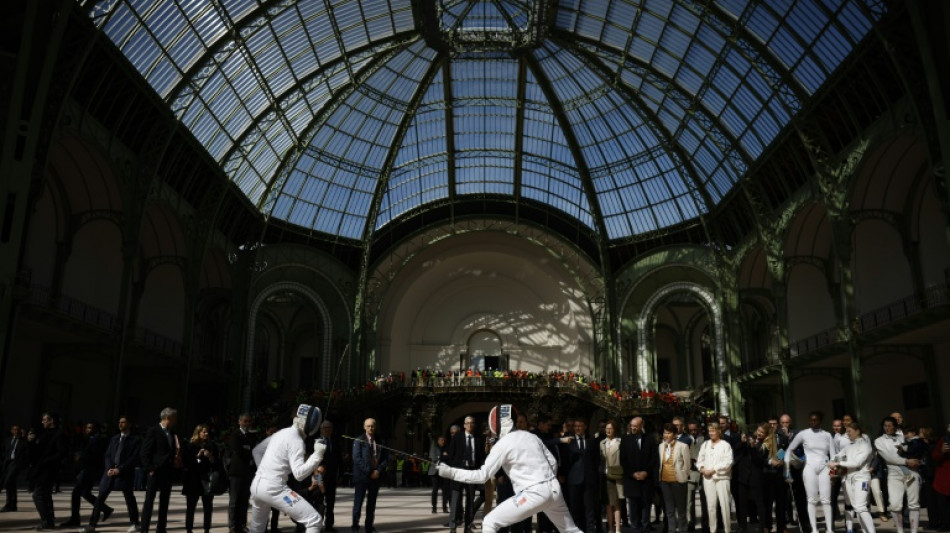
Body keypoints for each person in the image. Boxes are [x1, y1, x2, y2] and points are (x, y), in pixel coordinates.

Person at [437, 404, 582, 533]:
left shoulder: (502, 444)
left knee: (489, 522)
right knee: (570, 529)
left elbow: (482, 475)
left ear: (498, 423)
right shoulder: (531, 436)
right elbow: (553, 462)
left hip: (533, 493)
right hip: (554, 489)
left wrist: (450, 472)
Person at [249, 404, 326, 533]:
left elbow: (257, 451)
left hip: (257, 486)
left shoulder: (281, 433)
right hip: (274, 488)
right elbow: (299, 474)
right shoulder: (296, 440)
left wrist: (263, 472)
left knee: (256, 529)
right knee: (314, 520)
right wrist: (317, 455)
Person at [81, 415, 141, 533]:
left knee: (129, 498)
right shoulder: (114, 438)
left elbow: (134, 458)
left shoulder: (135, 440)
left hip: (124, 474)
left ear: (129, 424)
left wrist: (120, 469)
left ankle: (135, 523)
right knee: (100, 498)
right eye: (119, 422)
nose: (120, 424)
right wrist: (109, 468)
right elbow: (107, 455)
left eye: (123, 422)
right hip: (109, 473)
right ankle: (92, 525)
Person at [784, 411, 834, 533]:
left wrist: (833, 472)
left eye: (815, 420)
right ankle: (814, 529)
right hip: (809, 467)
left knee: (826, 500)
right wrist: (787, 470)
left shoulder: (827, 435)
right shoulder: (803, 434)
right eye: (810, 420)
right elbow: (789, 450)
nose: (812, 422)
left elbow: (833, 455)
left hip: (824, 468)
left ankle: (829, 529)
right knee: (811, 500)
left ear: (820, 421)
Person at [875, 415, 921, 533]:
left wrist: (917, 460)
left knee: (913, 503)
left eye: (890, 426)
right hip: (894, 473)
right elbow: (888, 457)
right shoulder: (879, 441)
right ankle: (900, 531)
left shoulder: (903, 437)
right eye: (885, 426)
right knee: (895, 505)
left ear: (895, 427)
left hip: (911, 470)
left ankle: (914, 531)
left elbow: (916, 448)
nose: (887, 428)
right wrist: (906, 461)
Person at [63, 422, 114, 528]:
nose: (87, 429)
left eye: (90, 428)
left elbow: (96, 458)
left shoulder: (96, 440)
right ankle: (105, 509)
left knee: (76, 493)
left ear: (95, 429)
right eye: (86, 427)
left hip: (90, 470)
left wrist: (81, 457)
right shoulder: (89, 439)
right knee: (85, 493)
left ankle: (75, 519)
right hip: (88, 469)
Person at [828, 422, 875, 533]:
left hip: (862, 477)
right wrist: (832, 461)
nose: (847, 434)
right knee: (856, 507)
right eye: (846, 432)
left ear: (857, 431)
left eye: (849, 431)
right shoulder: (849, 446)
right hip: (849, 478)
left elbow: (856, 462)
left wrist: (838, 463)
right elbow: (837, 456)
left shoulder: (865, 445)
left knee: (861, 507)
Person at [141, 407, 182, 533]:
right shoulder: (153, 431)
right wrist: (149, 468)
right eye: (174, 418)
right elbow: (145, 452)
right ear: (168, 418)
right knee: (149, 501)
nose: (176, 421)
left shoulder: (172, 433)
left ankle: (161, 528)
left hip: (167, 471)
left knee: (164, 502)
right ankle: (144, 529)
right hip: (155, 471)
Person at [28, 411, 68, 531]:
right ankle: (49, 520)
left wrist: (46, 461)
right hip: (41, 469)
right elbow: (37, 452)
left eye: (45, 420)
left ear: (51, 421)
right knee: (44, 495)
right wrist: (31, 442)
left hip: (49, 470)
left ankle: (47, 521)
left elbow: (62, 453)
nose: (42, 422)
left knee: (38, 495)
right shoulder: (44, 434)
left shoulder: (60, 434)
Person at [447, 416, 486, 533]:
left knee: (470, 501)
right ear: (464, 425)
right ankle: (452, 527)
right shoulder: (457, 437)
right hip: (459, 472)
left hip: (472, 472)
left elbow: (481, 458)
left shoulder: (479, 439)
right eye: (467, 423)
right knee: (455, 501)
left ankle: (467, 527)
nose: (469, 425)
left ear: (474, 425)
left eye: (471, 423)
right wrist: (454, 469)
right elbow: (450, 455)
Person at [351, 417, 389, 533]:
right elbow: (357, 459)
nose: (370, 428)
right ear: (364, 427)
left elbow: (386, 458)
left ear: (375, 427)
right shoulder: (359, 441)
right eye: (368, 426)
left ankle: (369, 527)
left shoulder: (380, 441)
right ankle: (355, 527)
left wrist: (378, 470)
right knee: (358, 504)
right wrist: (369, 471)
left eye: (372, 426)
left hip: (375, 477)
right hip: (362, 477)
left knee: (371, 505)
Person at [621, 416, 658, 533]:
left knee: (646, 504)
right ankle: (635, 527)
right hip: (631, 479)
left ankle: (645, 526)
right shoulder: (625, 440)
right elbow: (623, 460)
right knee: (633, 505)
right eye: (632, 425)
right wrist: (633, 473)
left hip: (646, 479)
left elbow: (654, 458)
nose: (633, 428)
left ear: (642, 426)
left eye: (636, 426)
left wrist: (646, 472)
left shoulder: (650, 439)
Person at [696, 422, 734, 533]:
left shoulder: (725, 445)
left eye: (713, 431)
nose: (711, 433)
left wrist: (713, 470)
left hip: (722, 478)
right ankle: (713, 529)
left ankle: (727, 529)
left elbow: (728, 462)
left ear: (719, 431)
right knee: (711, 505)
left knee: (724, 504)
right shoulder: (705, 444)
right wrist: (702, 469)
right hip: (708, 478)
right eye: (709, 431)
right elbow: (700, 460)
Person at [563, 417, 599, 532]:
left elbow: (596, 460)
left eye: (580, 426)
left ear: (585, 427)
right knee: (575, 508)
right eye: (576, 426)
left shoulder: (592, 441)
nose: (577, 428)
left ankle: (590, 530)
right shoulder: (569, 441)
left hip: (589, 480)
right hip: (574, 480)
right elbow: (565, 461)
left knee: (589, 508)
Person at [182, 424, 219, 533]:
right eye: (204, 432)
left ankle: (207, 529)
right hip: (193, 479)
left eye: (207, 432)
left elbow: (217, 463)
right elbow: (187, 463)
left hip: (207, 479)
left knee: (208, 507)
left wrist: (210, 457)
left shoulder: (212, 445)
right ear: (197, 433)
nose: (206, 434)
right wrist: (198, 456)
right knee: (191, 507)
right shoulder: (190, 445)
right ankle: (189, 529)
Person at [778, 414, 810, 533]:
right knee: (784, 499)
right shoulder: (777, 434)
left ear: (790, 423)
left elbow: (801, 447)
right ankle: (786, 521)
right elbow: (777, 450)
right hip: (782, 470)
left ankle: (804, 524)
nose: (784, 425)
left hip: (795, 470)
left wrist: (789, 437)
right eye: (782, 423)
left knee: (800, 498)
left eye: (786, 423)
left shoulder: (797, 433)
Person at [752, 422, 787, 533]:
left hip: (778, 475)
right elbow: (760, 459)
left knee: (780, 503)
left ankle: (781, 527)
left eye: (762, 432)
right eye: (759, 431)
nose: (759, 433)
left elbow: (783, 450)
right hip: (765, 475)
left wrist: (781, 460)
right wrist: (771, 461)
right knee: (767, 503)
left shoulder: (779, 438)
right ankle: (767, 526)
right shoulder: (758, 442)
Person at [658, 423, 691, 533]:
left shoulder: (683, 446)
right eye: (664, 433)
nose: (666, 435)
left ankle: (683, 530)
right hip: (664, 481)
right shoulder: (661, 446)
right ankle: (671, 530)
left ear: (675, 434)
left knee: (681, 510)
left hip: (678, 481)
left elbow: (687, 465)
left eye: (669, 433)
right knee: (669, 510)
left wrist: (683, 476)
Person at [229, 413, 258, 533]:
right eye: (245, 421)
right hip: (236, 472)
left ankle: (242, 524)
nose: (247, 424)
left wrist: (247, 449)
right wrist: (248, 451)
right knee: (234, 501)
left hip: (248, 473)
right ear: (239, 422)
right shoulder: (235, 435)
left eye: (249, 421)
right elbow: (239, 451)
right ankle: (232, 526)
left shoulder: (252, 436)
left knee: (244, 501)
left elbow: (254, 450)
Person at [315, 420, 342, 532]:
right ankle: (317, 526)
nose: (326, 429)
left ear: (331, 429)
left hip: (332, 477)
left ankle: (329, 526)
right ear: (321, 430)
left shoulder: (335, 442)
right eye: (324, 428)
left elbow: (340, 460)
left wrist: (341, 474)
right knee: (319, 502)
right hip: (320, 476)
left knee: (331, 503)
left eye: (328, 427)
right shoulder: (317, 442)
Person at [600, 419, 624, 533]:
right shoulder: (602, 443)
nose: (608, 430)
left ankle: (618, 529)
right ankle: (610, 528)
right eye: (607, 428)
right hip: (605, 475)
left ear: (615, 430)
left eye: (611, 428)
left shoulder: (620, 442)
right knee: (608, 504)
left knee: (617, 503)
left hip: (617, 475)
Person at [686, 420, 708, 533]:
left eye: (695, 429)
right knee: (689, 501)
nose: (693, 432)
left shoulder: (706, 439)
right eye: (691, 430)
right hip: (690, 473)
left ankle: (705, 524)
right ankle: (690, 523)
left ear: (699, 429)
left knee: (705, 500)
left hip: (703, 473)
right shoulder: (685, 440)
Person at [1, 425, 26, 512]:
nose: (16, 431)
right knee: (11, 484)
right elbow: (4, 451)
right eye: (14, 430)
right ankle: (13, 505)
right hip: (7, 463)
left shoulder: (23, 442)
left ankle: (8, 504)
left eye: (18, 430)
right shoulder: (7, 440)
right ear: (12, 431)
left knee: (8, 482)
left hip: (16, 463)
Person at [931, 422, 950, 532]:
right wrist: (942, 452)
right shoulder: (944, 440)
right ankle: (945, 524)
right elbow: (935, 455)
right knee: (943, 505)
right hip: (943, 478)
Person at [430, 435, 449, 514]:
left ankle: (445, 507)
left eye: (444, 440)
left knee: (445, 491)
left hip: (444, 472)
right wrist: (442, 456)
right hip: (435, 472)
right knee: (435, 490)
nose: (442, 442)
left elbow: (448, 458)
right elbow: (433, 457)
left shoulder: (447, 448)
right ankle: (434, 508)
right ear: (438, 441)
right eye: (441, 440)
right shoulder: (434, 447)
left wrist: (441, 457)